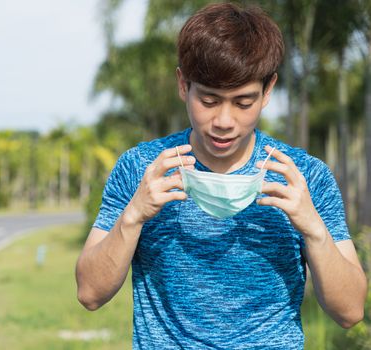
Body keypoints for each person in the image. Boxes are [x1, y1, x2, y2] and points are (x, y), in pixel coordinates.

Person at [75, 2, 367, 349]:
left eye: (243, 102)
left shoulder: (304, 177)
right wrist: (134, 215)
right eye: (210, 101)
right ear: (183, 84)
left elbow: (350, 312)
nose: (225, 122)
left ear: (268, 91)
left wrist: (314, 228)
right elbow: (90, 294)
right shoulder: (142, 169)